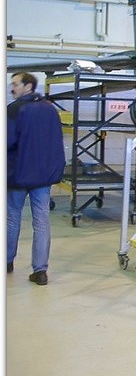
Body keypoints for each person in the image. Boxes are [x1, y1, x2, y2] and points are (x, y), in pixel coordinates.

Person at [7, 71, 65, 285]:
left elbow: (7, 141)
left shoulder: (14, 109)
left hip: (18, 174)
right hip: (43, 176)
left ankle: (7, 261)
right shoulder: (50, 109)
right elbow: (56, 141)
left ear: (28, 86)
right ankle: (40, 271)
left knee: (12, 218)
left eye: (15, 84)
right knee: (41, 221)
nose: (12, 88)